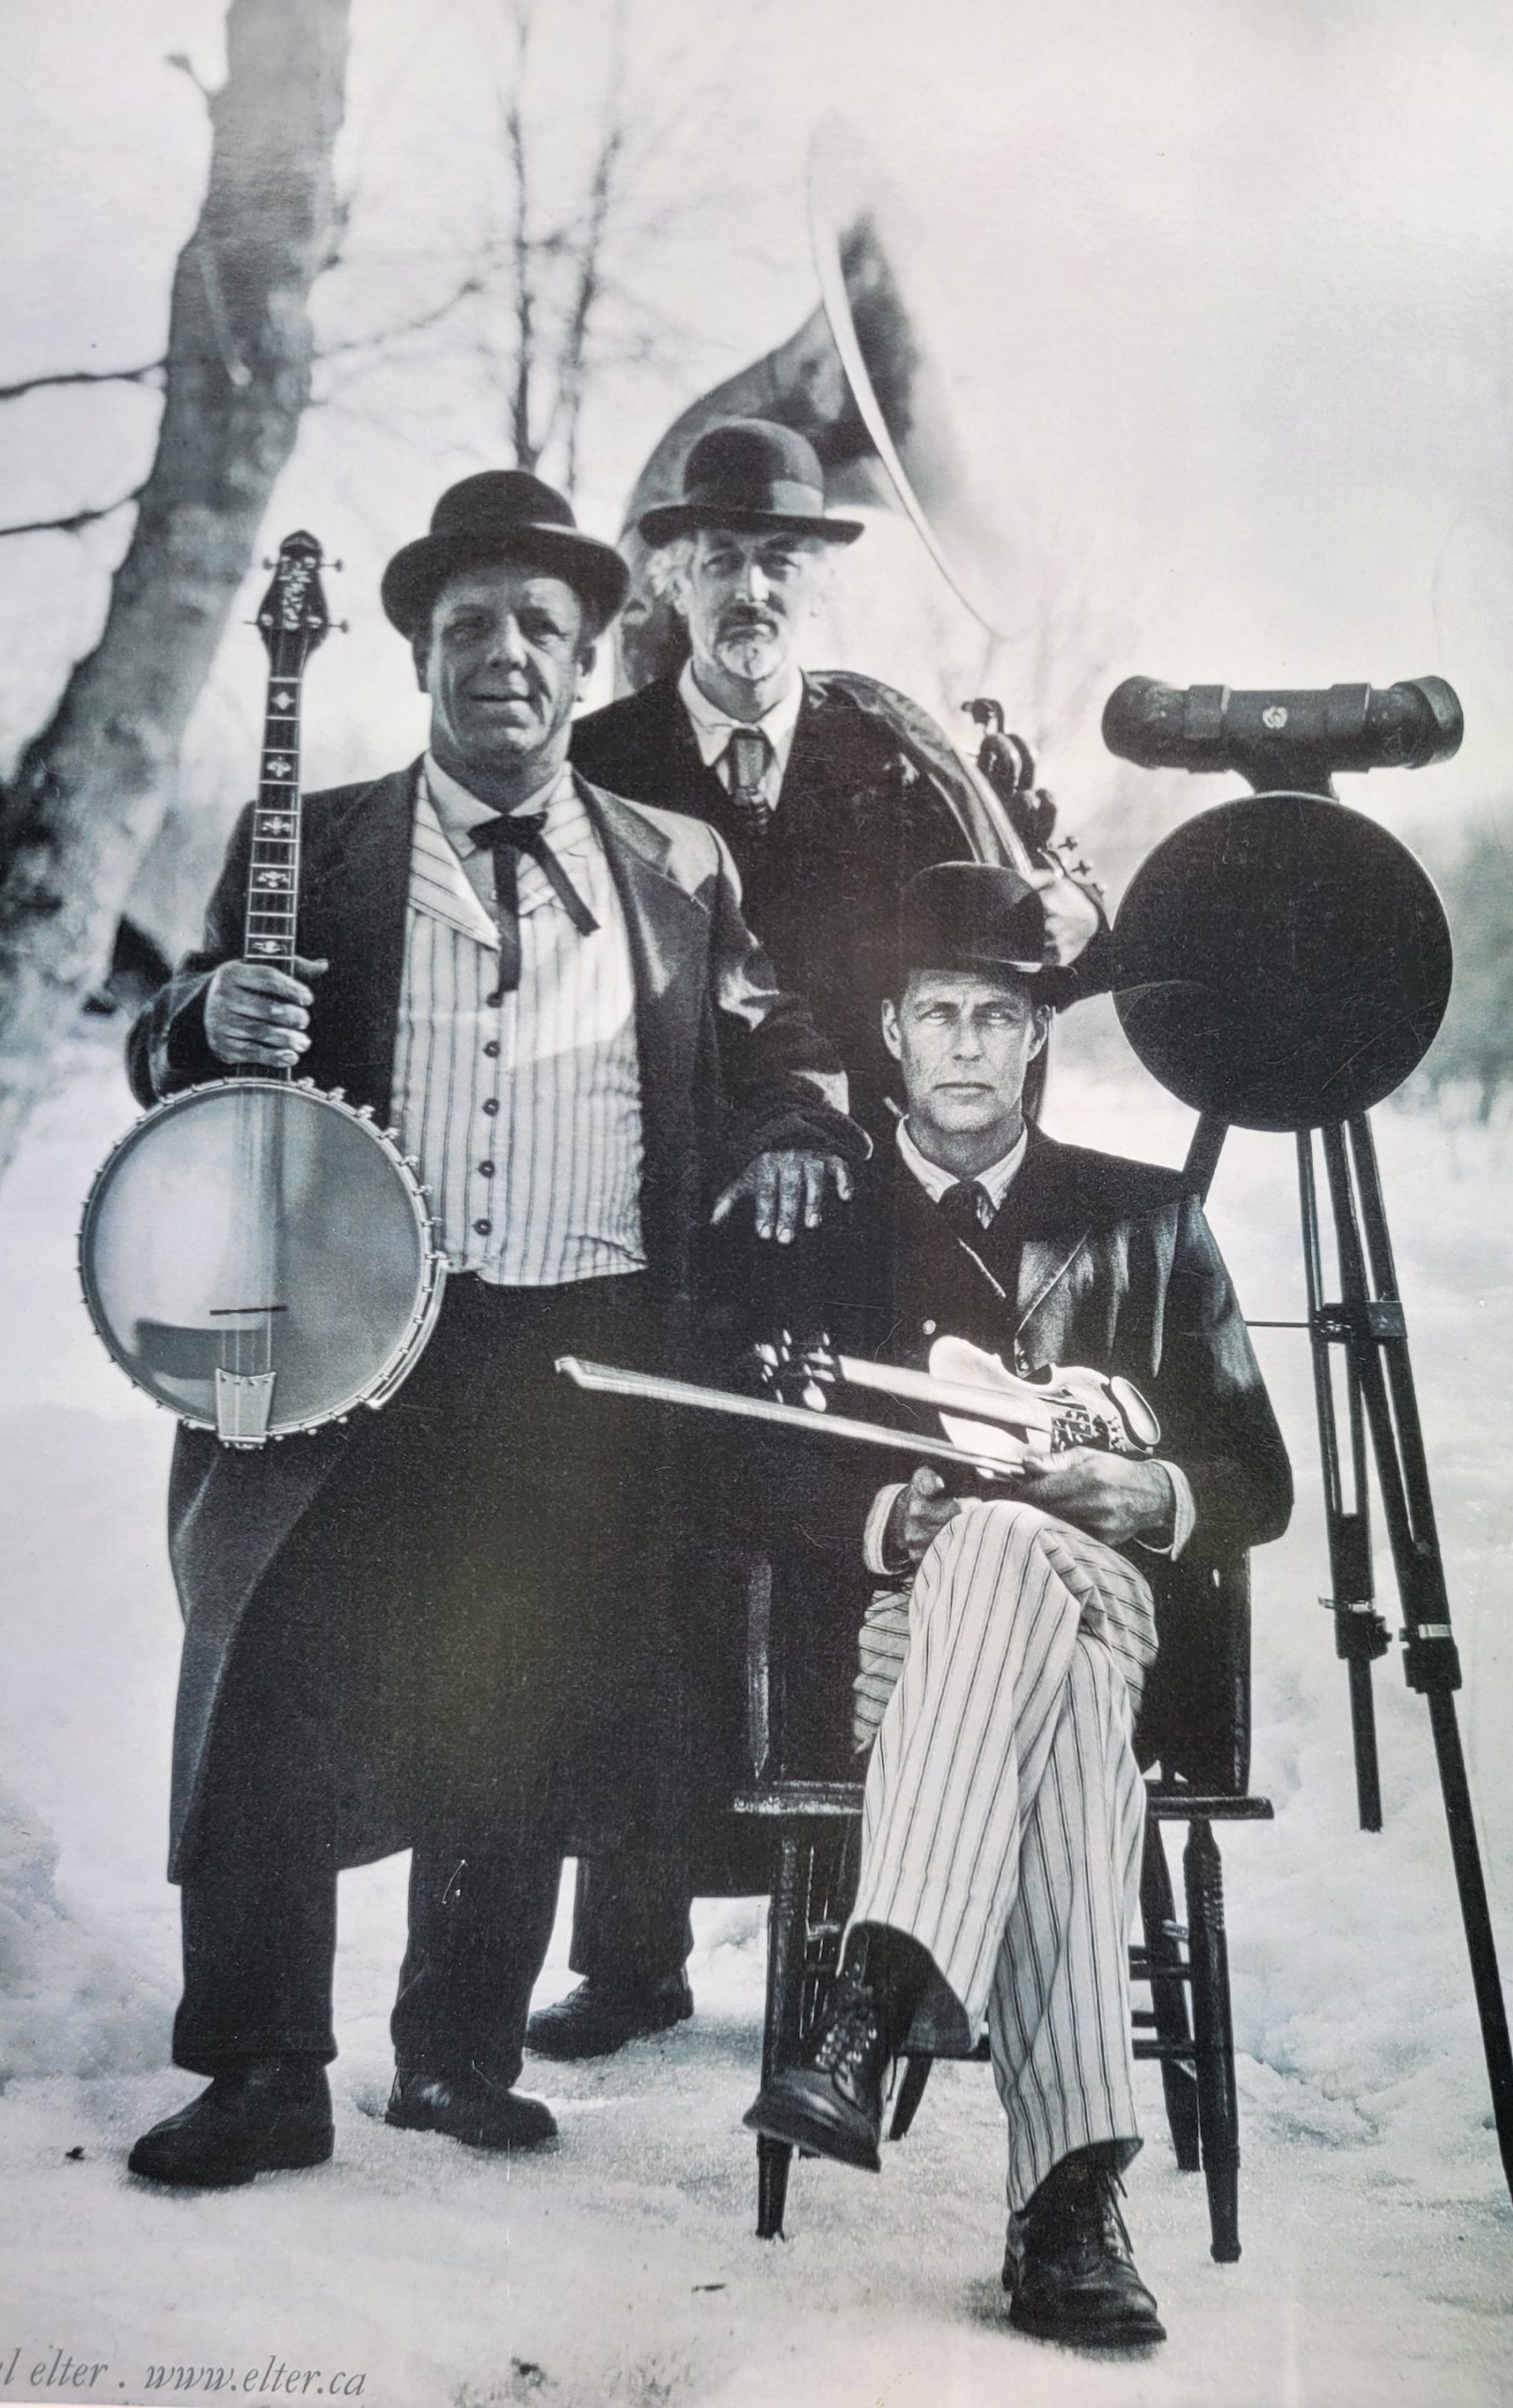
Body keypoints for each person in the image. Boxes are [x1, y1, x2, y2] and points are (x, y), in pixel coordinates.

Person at [122, 469, 864, 2188]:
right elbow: (176, 1040)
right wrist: (204, 1015)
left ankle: (454, 2056)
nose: (506, 655)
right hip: (347, 1345)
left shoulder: (682, 866)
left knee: (517, 1699)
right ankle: (257, 2072)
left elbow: (780, 1059)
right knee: (268, 1688)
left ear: (596, 655)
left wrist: (798, 1143)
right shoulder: (323, 841)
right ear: (421, 660)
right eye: (470, 628)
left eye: (541, 626)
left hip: (585, 1358)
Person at [532, 415, 1116, 2061]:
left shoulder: (893, 745)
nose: (750, 591)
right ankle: (632, 1952)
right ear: (665, 576)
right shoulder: (597, 758)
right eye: (717, 558)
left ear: (816, 582)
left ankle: (890, 1941)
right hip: (659, 1216)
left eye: (780, 560)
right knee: (650, 1554)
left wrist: (1072, 910)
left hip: (876, 1231)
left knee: (880, 1542)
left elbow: (1026, 951)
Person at [740, 862, 1292, 2347]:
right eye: (941, 1015)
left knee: (1002, 1544)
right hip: (907, 1652)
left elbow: (1258, 1476)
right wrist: (877, 1513)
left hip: (1103, 1612)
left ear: (1037, 1038)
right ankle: (1070, 2205)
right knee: (993, 1583)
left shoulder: (1147, 1217)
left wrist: (1153, 1495)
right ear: (893, 1033)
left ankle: (876, 1987)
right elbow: (732, 1475)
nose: (971, 1045)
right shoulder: (820, 1219)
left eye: (999, 1015)